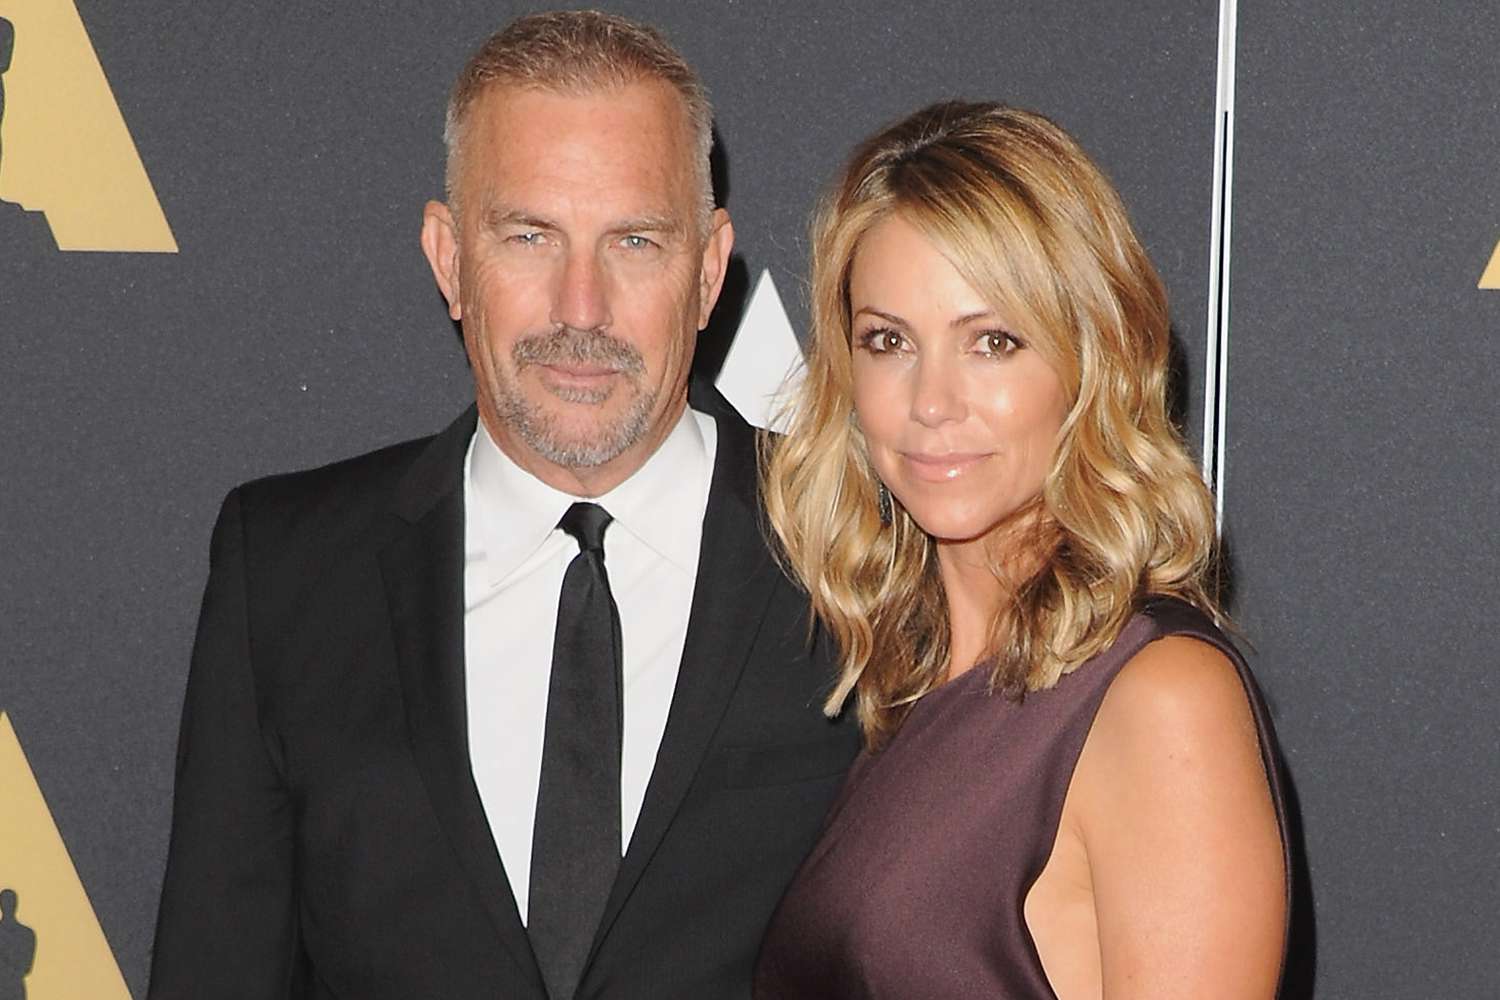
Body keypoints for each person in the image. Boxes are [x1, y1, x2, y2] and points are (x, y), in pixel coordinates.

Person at [147, 12, 858, 1000]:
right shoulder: (286, 573)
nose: (581, 308)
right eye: (529, 237)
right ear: (449, 259)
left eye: (634, 241)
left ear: (706, 271)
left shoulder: (863, 551)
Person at [754, 102, 1289, 998]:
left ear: (1090, 359)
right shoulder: (914, 687)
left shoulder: (1161, 700)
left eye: (993, 342)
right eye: (888, 341)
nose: (931, 402)